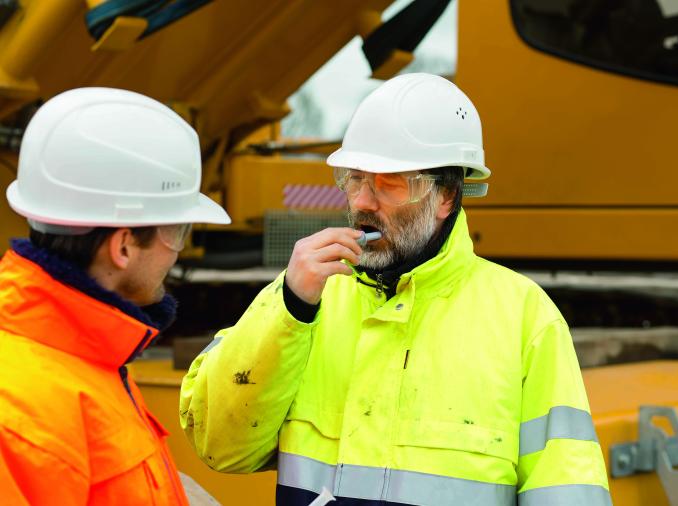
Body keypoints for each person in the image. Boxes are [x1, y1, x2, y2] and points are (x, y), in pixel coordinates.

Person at [180, 73, 610, 505]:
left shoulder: (523, 317)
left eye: (389, 183)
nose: (363, 202)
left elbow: (568, 493)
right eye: (354, 179)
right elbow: (222, 448)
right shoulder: (308, 294)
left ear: (445, 196)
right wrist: (290, 306)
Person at [0, 87, 230, 505]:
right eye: (176, 231)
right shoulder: (23, 409)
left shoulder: (86, 358)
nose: (176, 249)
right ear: (123, 246)